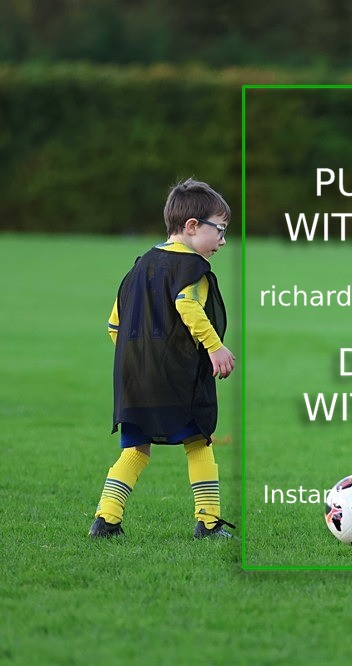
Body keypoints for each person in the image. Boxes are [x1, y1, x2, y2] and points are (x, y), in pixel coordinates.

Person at [90, 179, 237, 540]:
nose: (222, 240)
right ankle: (208, 522)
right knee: (199, 441)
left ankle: (106, 520)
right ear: (191, 227)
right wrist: (215, 347)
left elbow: (114, 325)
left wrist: (141, 361)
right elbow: (186, 305)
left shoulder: (139, 267)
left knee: (135, 449)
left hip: (135, 380)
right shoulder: (192, 270)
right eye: (219, 230)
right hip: (179, 378)